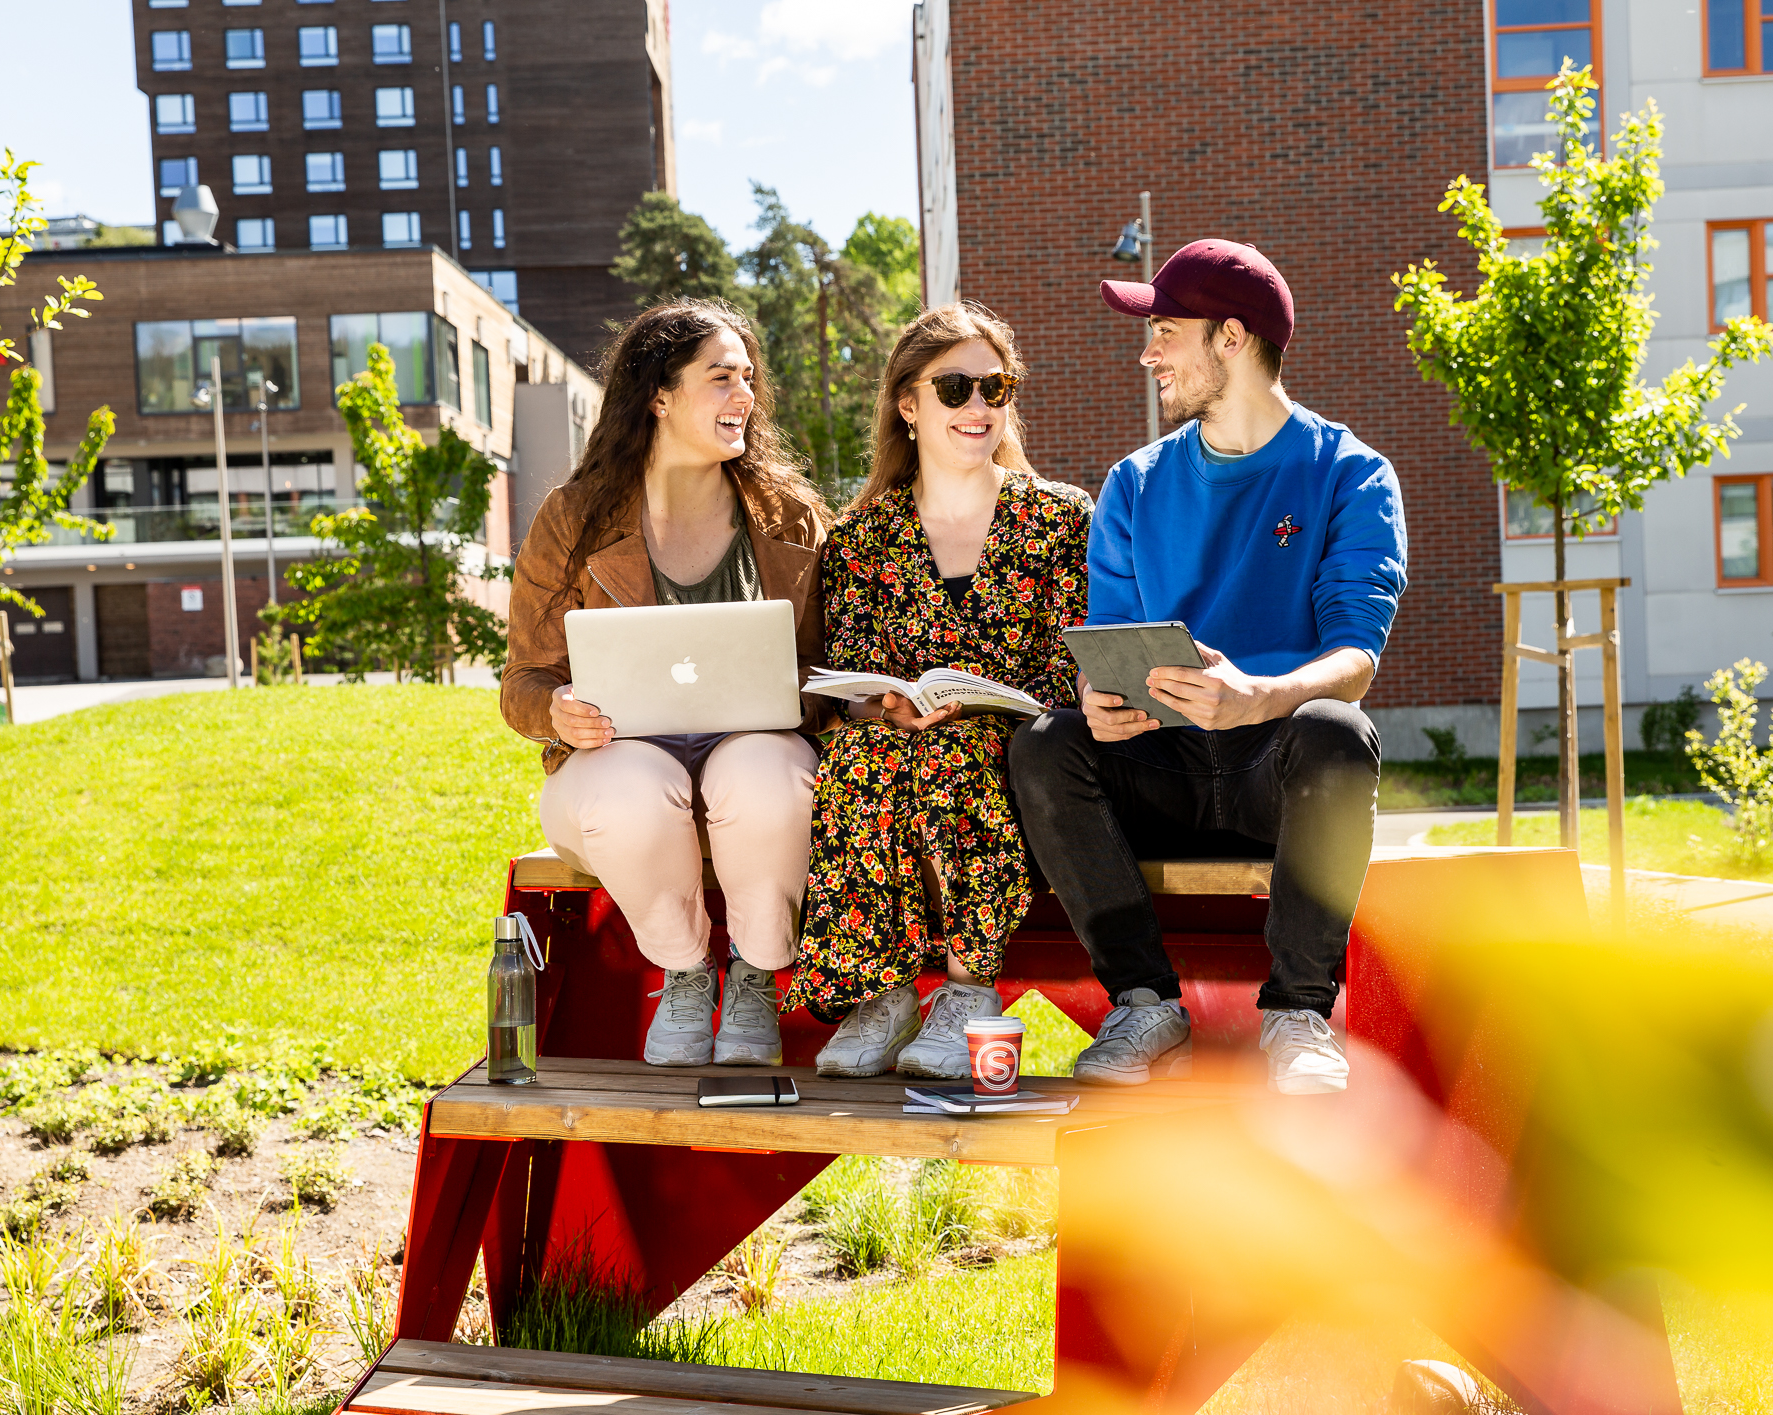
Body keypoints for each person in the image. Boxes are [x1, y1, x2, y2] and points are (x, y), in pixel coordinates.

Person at [1009, 240, 1407, 1094]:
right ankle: (1143, 1002)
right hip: (1161, 763)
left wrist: (1260, 694)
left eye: (1166, 332)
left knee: (1339, 729)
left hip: (1277, 769)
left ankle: (1298, 1013)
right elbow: (1108, 634)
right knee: (1046, 742)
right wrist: (1098, 697)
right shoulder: (1135, 484)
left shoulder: (1350, 475)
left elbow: (1355, 658)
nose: (1148, 352)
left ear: (1232, 338)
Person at [500, 298, 831, 1069]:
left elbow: (830, 664)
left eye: (748, 377)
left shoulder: (790, 516)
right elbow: (524, 678)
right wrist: (555, 709)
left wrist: (795, 690)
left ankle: (754, 974)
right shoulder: (573, 518)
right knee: (630, 789)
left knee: (767, 773)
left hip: (757, 751)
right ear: (659, 394)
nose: (744, 394)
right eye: (721, 378)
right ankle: (685, 973)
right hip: (613, 762)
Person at [786, 303, 1091, 1078]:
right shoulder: (862, 536)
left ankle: (966, 987)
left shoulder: (1059, 519)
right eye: (954, 388)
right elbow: (849, 665)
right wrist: (881, 703)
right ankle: (882, 992)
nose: (979, 406)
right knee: (858, 749)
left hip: (1021, 748)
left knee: (956, 748)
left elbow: (1071, 661)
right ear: (908, 404)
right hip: (899, 739)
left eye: (996, 386)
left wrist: (991, 701)